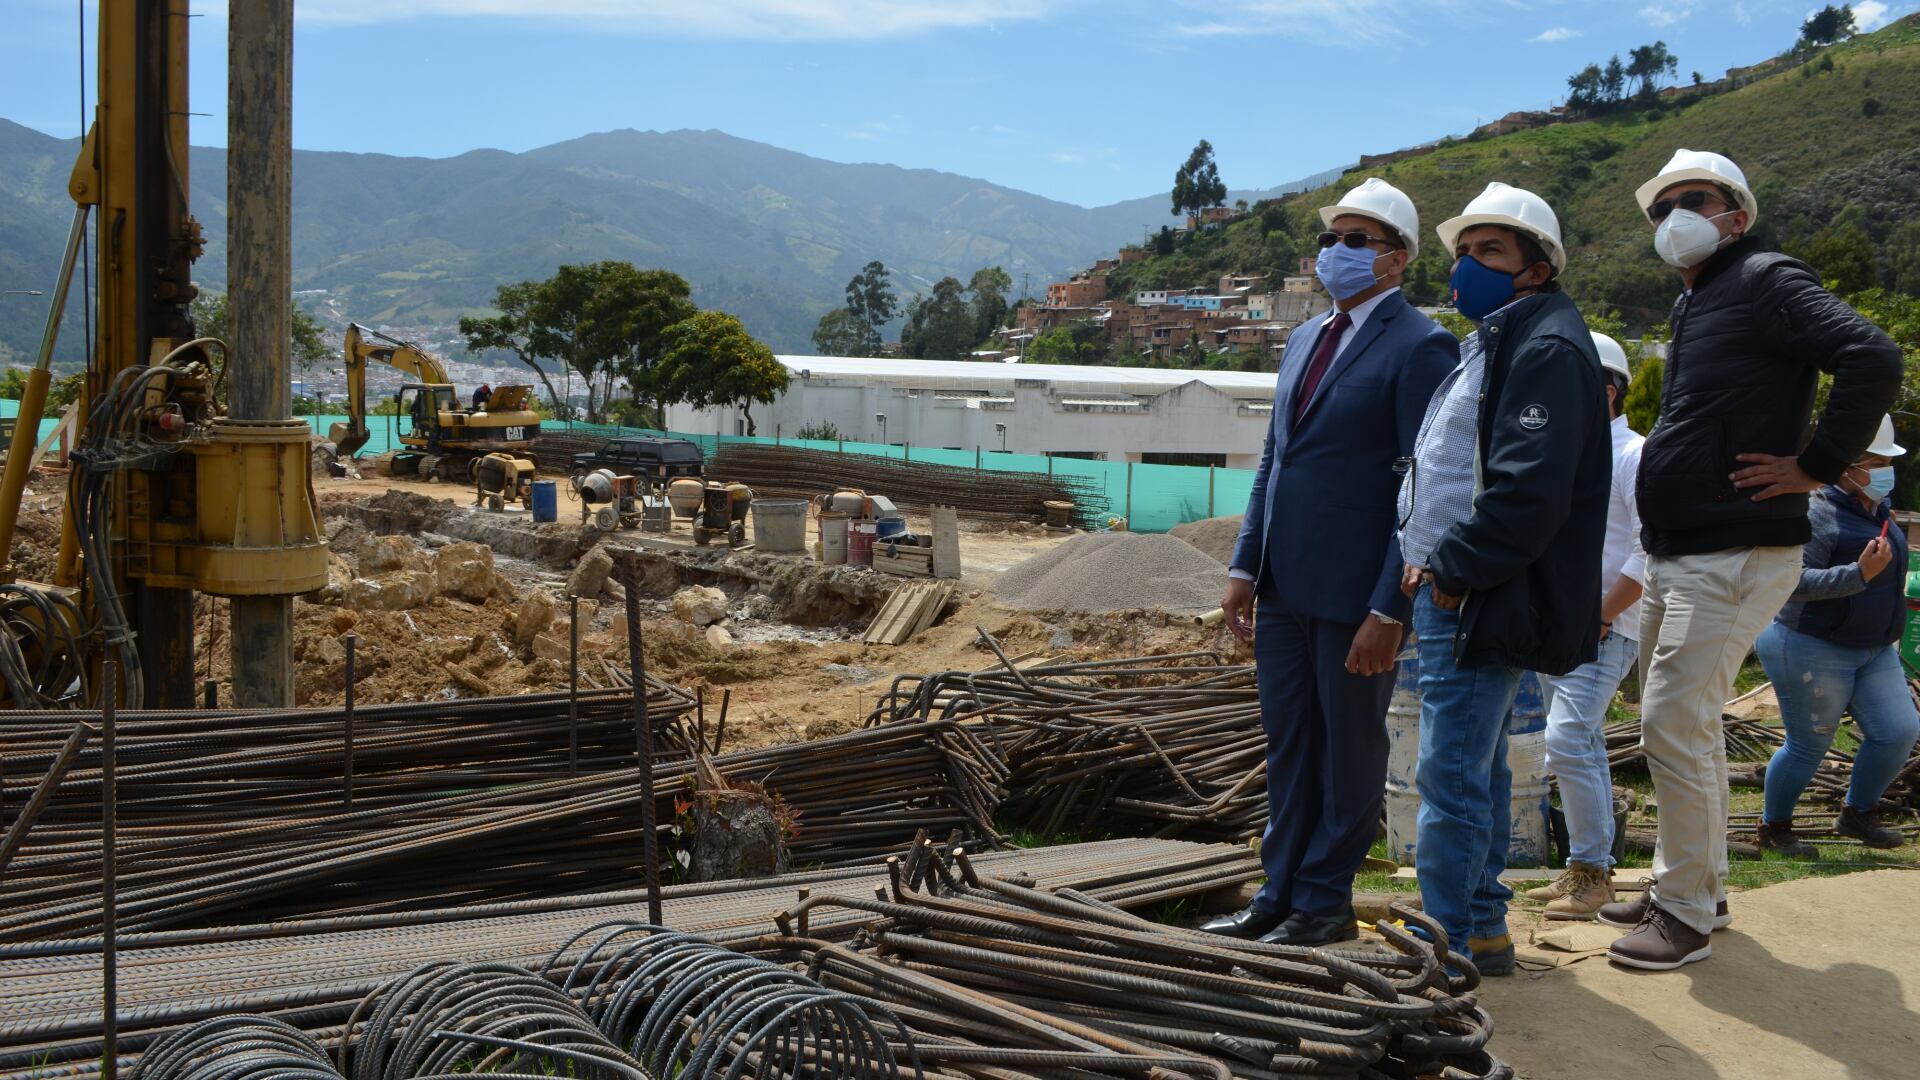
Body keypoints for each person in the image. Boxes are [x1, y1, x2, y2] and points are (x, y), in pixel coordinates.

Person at [1603, 150, 1903, 972]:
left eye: (1689, 201)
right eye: (1659, 210)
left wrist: (1816, 463)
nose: (1671, 219)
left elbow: (1873, 356)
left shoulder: (1765, 275)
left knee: (1671, 721)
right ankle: (1691, 887)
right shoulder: (1699, 299)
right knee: (1683, 727)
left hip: (1734, 549)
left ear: (1736, 212)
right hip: (1681, 549)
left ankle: (1687, 916)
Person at [1205, 178, 1456, 947]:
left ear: (1397, 261)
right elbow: (1276, 457)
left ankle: (1323, 903)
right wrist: (1246, 566)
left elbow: (1422, 485)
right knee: (1290, 743)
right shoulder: (1308, 337)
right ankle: (1277, 893)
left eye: (1357, 241)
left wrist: (1392, 605)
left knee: (1349, 751)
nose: (1336, 252)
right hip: (1283, 585)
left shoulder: (1421, 345)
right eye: (1331, 238)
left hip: (1357, 596)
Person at [1397, 182, 1611, 974]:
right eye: (1463, 250)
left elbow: (1530, 488)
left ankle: (1439, 944)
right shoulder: (1504, 336)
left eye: (1491, 251)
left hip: (1476, 591)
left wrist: (1455, 564)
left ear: (1537, 266)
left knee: (1448, 775)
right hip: (1465, 587)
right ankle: (1482, 927)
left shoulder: (1546, 347)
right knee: (1476, 767)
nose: (1467, 266)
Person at [1753, 416, 1918, 855]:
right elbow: (1790, 582)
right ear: (1848, 468)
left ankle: (1857, 813)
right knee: (1810, 744)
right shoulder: (1817, 510)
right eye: (1878, 463)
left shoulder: (1875, 507)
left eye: (1889, 462)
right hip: (1811, 644)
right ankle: (1775, 827)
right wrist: (1859, 574)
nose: (1887, 472)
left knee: (1899, 730)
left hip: (1874, 648)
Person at [1523, 333, 1646, 920]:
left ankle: (1592, 874)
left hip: (1604, 626)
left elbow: (1648, 553)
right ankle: (1587, 868)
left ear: (1606, 391)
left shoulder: (1632, 456)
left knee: (1568, 740)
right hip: (1560, 627)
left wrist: (1598, 615)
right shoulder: (1565, 460)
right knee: (1584, 744)